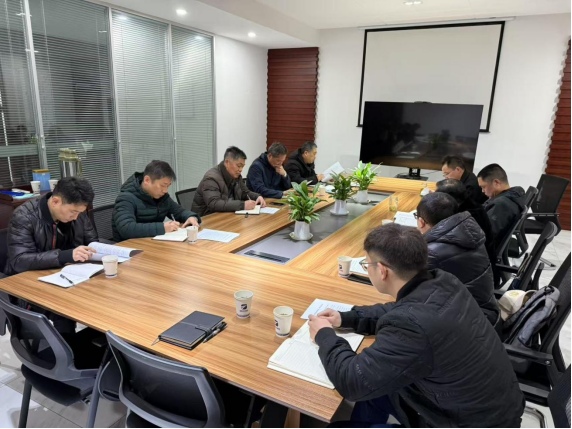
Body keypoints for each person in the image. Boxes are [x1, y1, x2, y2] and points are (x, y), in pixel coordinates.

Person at [307, 223, 524, 428]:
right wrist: (346, 318)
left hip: (466, 421)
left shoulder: (411, 326)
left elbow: (351, 380)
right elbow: (398, 310)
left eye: (367, 264)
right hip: (489, 406)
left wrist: (324, 335)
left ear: (382, 270)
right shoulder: (443, 280)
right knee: (375, 392)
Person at [5, 176, 99, 334]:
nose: (76, 217)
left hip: (71, 278)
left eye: (80, 212)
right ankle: (66, 346)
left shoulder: (77, 214)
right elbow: (19, 261)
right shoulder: (24, 216)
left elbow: (92, 242)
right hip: (32, 286)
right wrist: (65, 256)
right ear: (55, 201)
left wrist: (95, 251)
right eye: (73, 212)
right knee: (64, 310)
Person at [416, 192, 499, 325]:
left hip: (469, 323)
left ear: (421, 222)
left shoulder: (432, 254)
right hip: (485, 310)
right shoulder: (468, 230)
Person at [112, 160, 200, 242]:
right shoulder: (126, 198)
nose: (165, 190)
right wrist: (162, 228)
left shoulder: (162, 197)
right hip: (129, 247)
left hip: (153, 243)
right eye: (163, 185)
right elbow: (126, 228)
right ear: (147, 180)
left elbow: (179, 212)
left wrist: (191, 217)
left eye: (168, 186)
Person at [436, 178, 496, 266]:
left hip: (475, 264)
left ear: (448, 200)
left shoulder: (464, 219)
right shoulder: (473, 206)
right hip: (482, 258)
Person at [192, 146, 266, 216]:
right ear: (227, 162)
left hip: (226, 215)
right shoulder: (211, 178)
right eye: (238, 166)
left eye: (242, 166)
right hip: (206, 219)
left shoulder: (236, 176)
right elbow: (214, 203)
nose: (241, 170)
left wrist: (257, 197)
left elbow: (245, 192)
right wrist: (242, 205)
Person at [477, 163, 525, 251]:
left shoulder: (502, 205)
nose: (483, 191)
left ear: (496, 183)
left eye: (483, 187)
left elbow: (482, 236)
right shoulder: (513, 195)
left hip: (485, 250)